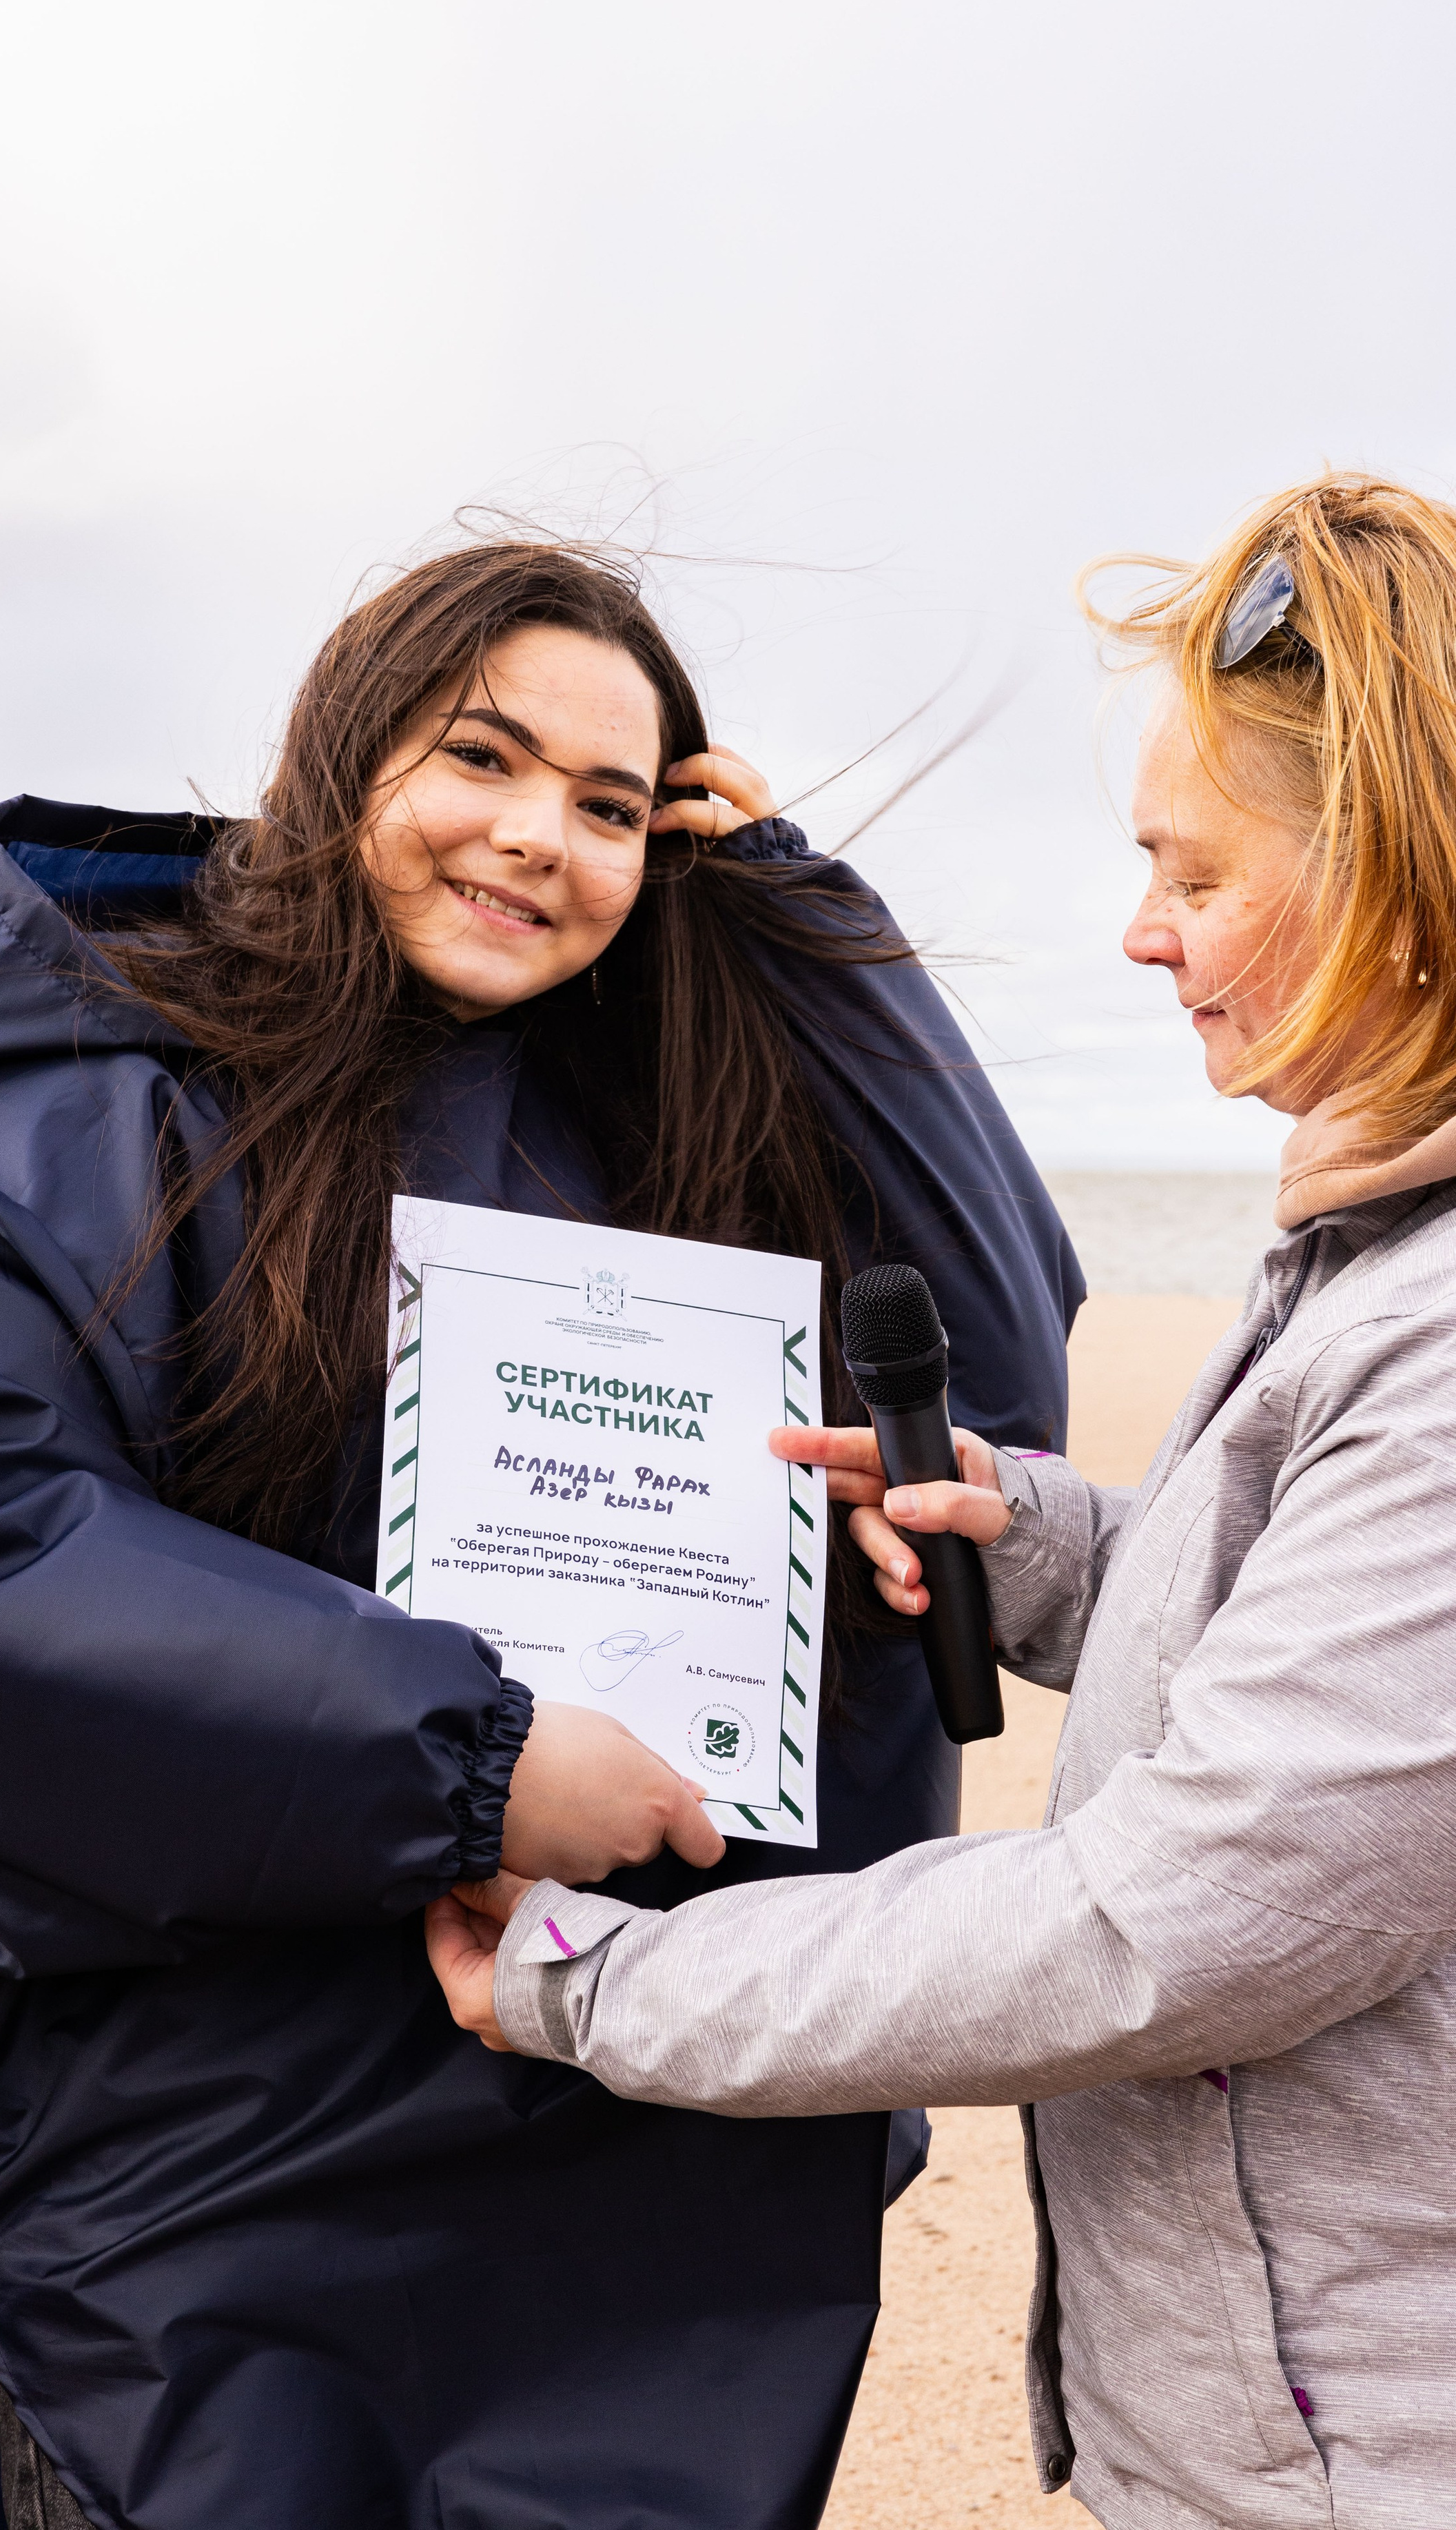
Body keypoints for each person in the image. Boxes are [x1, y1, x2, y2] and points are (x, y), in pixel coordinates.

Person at [0, 540, 1079, 2530]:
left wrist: (796, 916)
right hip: (199, 2178)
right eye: (483, 760)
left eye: (616, 808)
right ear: (347, 760)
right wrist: (473, 1759)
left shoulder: (673, 1149)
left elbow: (976, 1375)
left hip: (641, 2181)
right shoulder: (52, 1126)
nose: (541, 839)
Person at [431, 476, 1456, 2530]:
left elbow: (1166, 1928)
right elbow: (1320, 1623)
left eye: (1197, 873)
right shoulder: (1365, 1263)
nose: (1142, 932)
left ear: (1397, 879)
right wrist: (1059, 1544)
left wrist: (592, 1984)